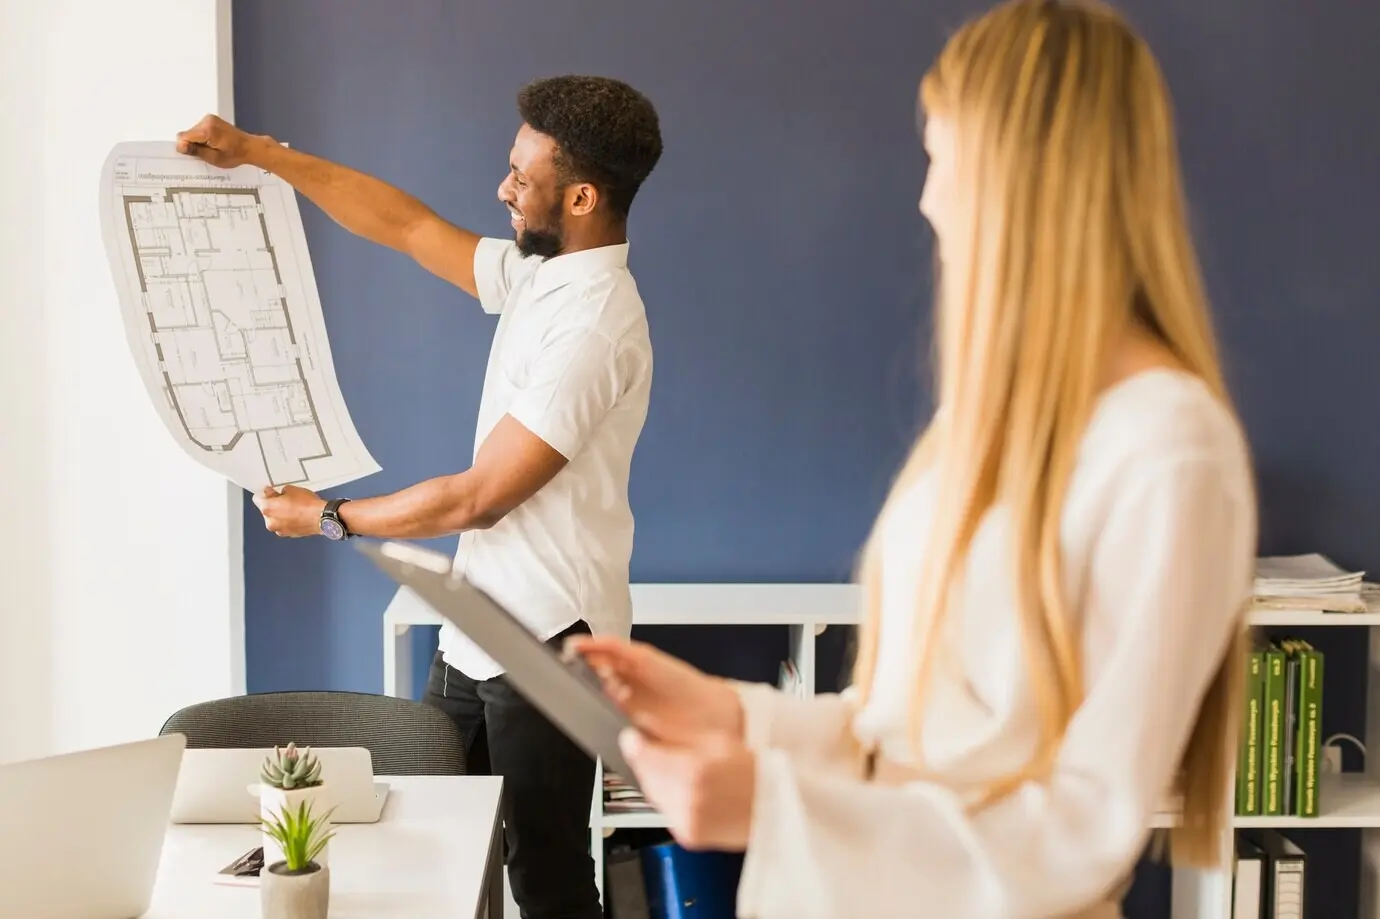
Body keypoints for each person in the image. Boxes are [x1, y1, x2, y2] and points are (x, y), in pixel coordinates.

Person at [568, 2, 1256, 917]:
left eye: (941, 156)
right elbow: (906, 738)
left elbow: (1080, 833)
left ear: (1022, 175)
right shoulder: (988, 424)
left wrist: (773, 803)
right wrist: (732, 714)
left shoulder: (1170, 452)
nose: (928, 199)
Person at [176, 74, 663, 918]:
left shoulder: (594, 324)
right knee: (434, 837)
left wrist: (331, 516)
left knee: (543, 874)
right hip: (479, 626)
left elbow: (479, 497)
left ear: (581, 196)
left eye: (523, 176)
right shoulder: (541, 276)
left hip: (549, 642)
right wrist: (260, 155)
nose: (502, 189)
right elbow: (405, 225)